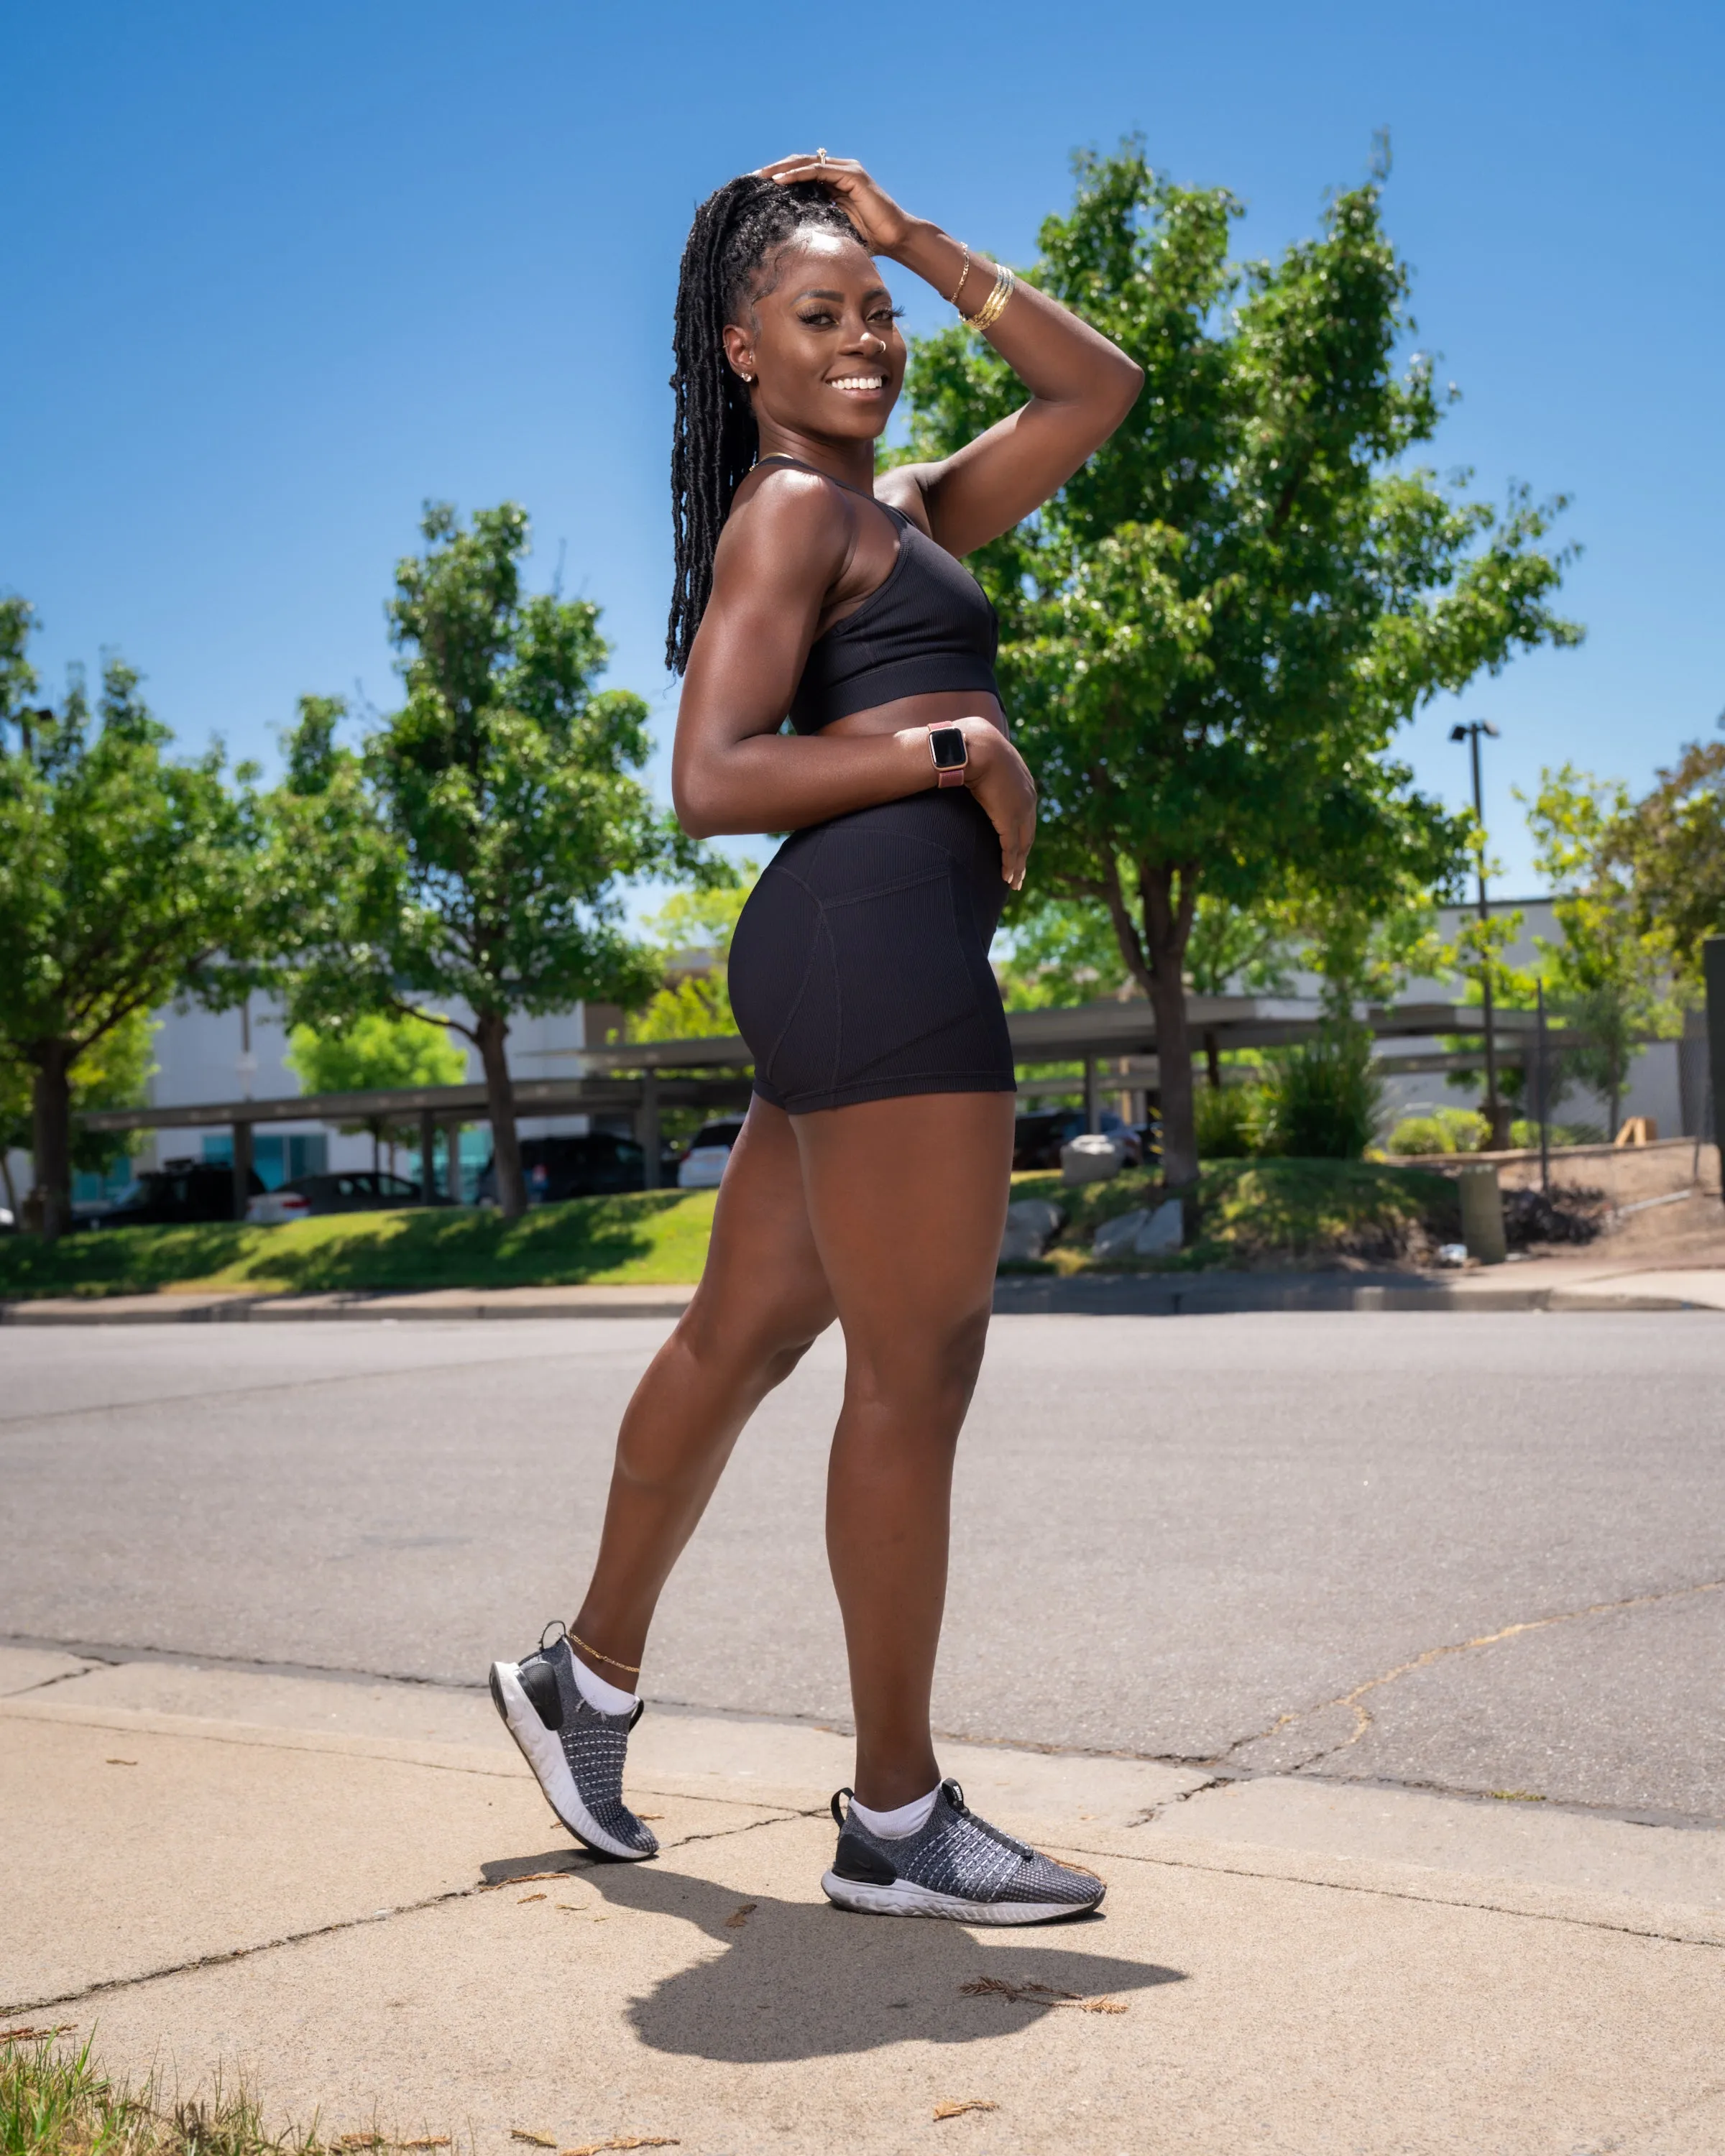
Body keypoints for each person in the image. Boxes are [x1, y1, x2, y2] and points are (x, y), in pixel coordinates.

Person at [491, 154, 1141, 1922]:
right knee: (910, 1381)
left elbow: (1098, 388)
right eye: (819, 315)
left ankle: (584, 1682)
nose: (865, 340)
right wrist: (957, 752)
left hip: (861, 953)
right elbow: (711, 777)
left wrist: (921, 239)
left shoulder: (905, 509)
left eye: (881, 315)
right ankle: (897, 1818)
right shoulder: (790, 514)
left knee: (740, 1338)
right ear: (740, 353)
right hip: (882, 955)